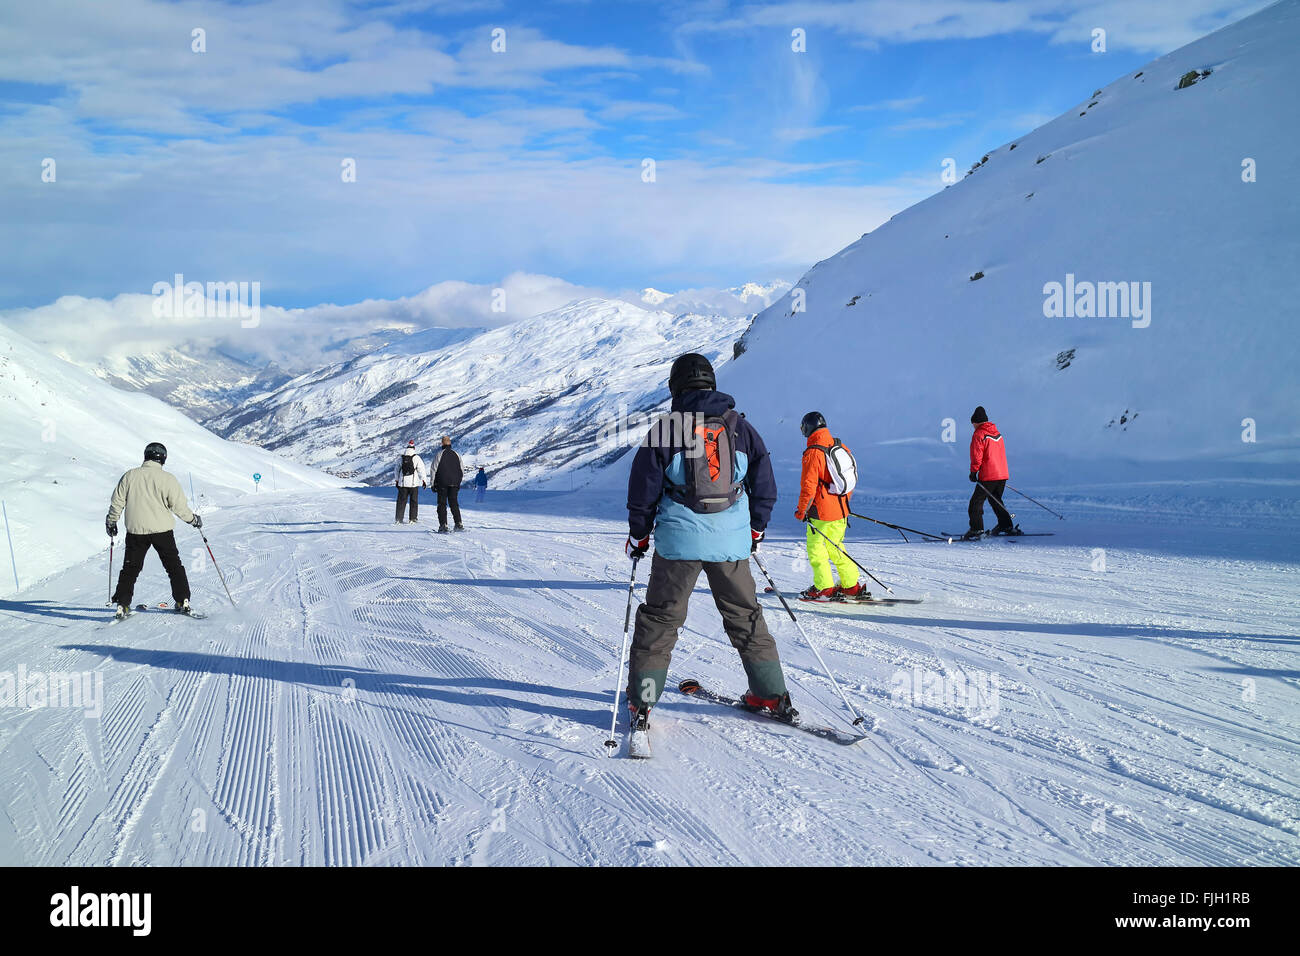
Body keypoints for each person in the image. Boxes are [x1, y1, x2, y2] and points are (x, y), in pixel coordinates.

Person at [623, 352, 793, 755]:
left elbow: (643, 490)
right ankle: (770, 694)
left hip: (679, 543)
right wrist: (755, 529)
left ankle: (643, 701)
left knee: (661, 620)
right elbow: (764, 483)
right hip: (730, 542)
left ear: (674, 387)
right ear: (712, 384)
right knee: (746, 616)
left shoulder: (665, 430)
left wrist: (639, 536)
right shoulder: (741, 427)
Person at [106, 442, 202, 618]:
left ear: (145, 456)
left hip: (136, 531)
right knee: (173, 566)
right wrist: (193, 520)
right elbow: (179, 507)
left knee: (130, 568)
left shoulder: (130, 476)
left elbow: (117, 502)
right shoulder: (168, 479)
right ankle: (183, 600)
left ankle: (123, 604)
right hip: (162, 531)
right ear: (163, 459)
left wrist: (112, 521)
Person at [794, 411, 865, 602]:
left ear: (807, 428)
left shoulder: (813, 452)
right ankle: (851, 586)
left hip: (821, 513)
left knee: (816, 550)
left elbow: (808, 487)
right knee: (836, 547)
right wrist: (841, 502)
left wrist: (802, 511)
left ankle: (824, 587)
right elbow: (848, 478)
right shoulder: (839, 445)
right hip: (841, 510)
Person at [966, 406, 1018, 538]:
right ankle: (1006, 525)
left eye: (973, 424)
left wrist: (973, 472)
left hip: (989, 475)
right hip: (1002, 474)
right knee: (996, 500)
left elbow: (977, 455)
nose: (973, 427)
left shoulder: (979, 434)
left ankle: (976, 529)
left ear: (976, 422)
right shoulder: (997, 434)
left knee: (976, 502)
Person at [430, 435, 464, 532]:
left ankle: (443, 525)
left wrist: (432, 483)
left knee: (442, 504)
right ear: (450, 443)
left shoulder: (439, 454)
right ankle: (458, 523)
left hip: (442, 483)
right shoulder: (456, 454)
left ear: (442, 443)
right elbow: (462, 469)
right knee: (454, 503)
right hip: (455, 483)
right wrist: (458, 481)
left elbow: (433, 469)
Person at [394, 439, 427, 524]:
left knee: (401, 501)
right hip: (413, 484)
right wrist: (423, 480)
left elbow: (396, 470)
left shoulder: (401, 457)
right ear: (414, 448)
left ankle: (399, 518)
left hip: (402, 483)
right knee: (413, 501)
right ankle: (412, 518)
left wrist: (397, 480)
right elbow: (421, 470)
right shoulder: (416, 457)